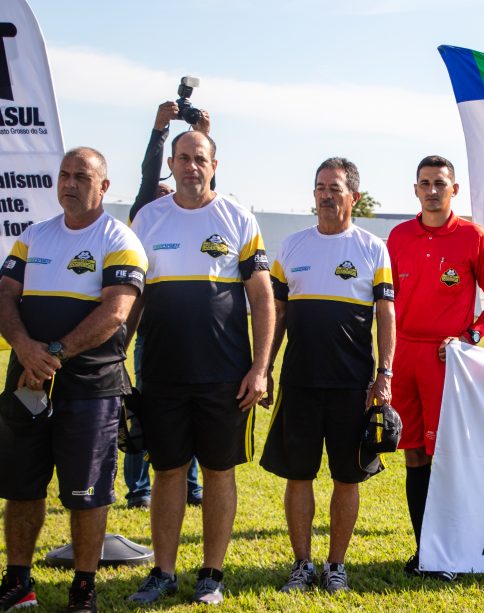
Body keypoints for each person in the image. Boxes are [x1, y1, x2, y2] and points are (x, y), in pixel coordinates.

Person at [127, 131, 273, 606]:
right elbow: (133, 297)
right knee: (167, 472)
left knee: (218, 472)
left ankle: (212, 573)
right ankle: (163, 572)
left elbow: (262, 296)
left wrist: (260, 367)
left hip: (225, 375)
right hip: (162, 374)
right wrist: (116, 357)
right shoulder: (147, 218)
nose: (192, 166)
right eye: (184, 158)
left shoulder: (238, 217)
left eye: (200, 159)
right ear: (171, 163)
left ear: (215, 165)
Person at [0, 148, 147, 612]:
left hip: (90, 386)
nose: (69, 183)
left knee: (87, 492)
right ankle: (18, 581)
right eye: (64, 175)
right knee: (21, 484)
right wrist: (25, 348)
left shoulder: (119, 239)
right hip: (26, 379)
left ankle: (83, 588)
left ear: (103, 187)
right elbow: (5, 295)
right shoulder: (32, 236)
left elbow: (116, 312)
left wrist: (55, 354)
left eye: (81, 176)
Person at [259, 157, 395, 593]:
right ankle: (302, 564)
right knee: (298, 476)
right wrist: (265, 368)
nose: (325, 195)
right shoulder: (293, 246)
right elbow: (276, 313)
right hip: (299, 382)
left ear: (353, 196)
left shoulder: (372, 248)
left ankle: (336, 565)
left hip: (351, 387)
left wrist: (384, 373)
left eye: (335, 188)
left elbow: (386, 315)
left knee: (346, 478)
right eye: (320, 187)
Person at [387, 155, 484, 579]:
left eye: (440, 183)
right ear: (415, 189)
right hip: (404, 358)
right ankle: (425, 549)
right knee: (414, 454)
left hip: (446, 360)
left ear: (454, 189)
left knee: (445, 458)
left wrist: (470, 338)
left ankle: (450, 549)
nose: (432, 190)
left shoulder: (473, 236)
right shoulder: (398, 236)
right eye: (425, 183)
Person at [123, 101, 212, 510]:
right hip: (152, 339)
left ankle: (192, 484)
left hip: (199, 346)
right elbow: (150, 174)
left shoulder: (202, 206)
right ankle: (140, 487)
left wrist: (207, 133)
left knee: (190, 418)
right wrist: (159, 130)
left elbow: (205, 175)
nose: (167, 194)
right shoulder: (147, 214)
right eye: (161, 188)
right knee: (148, 411)